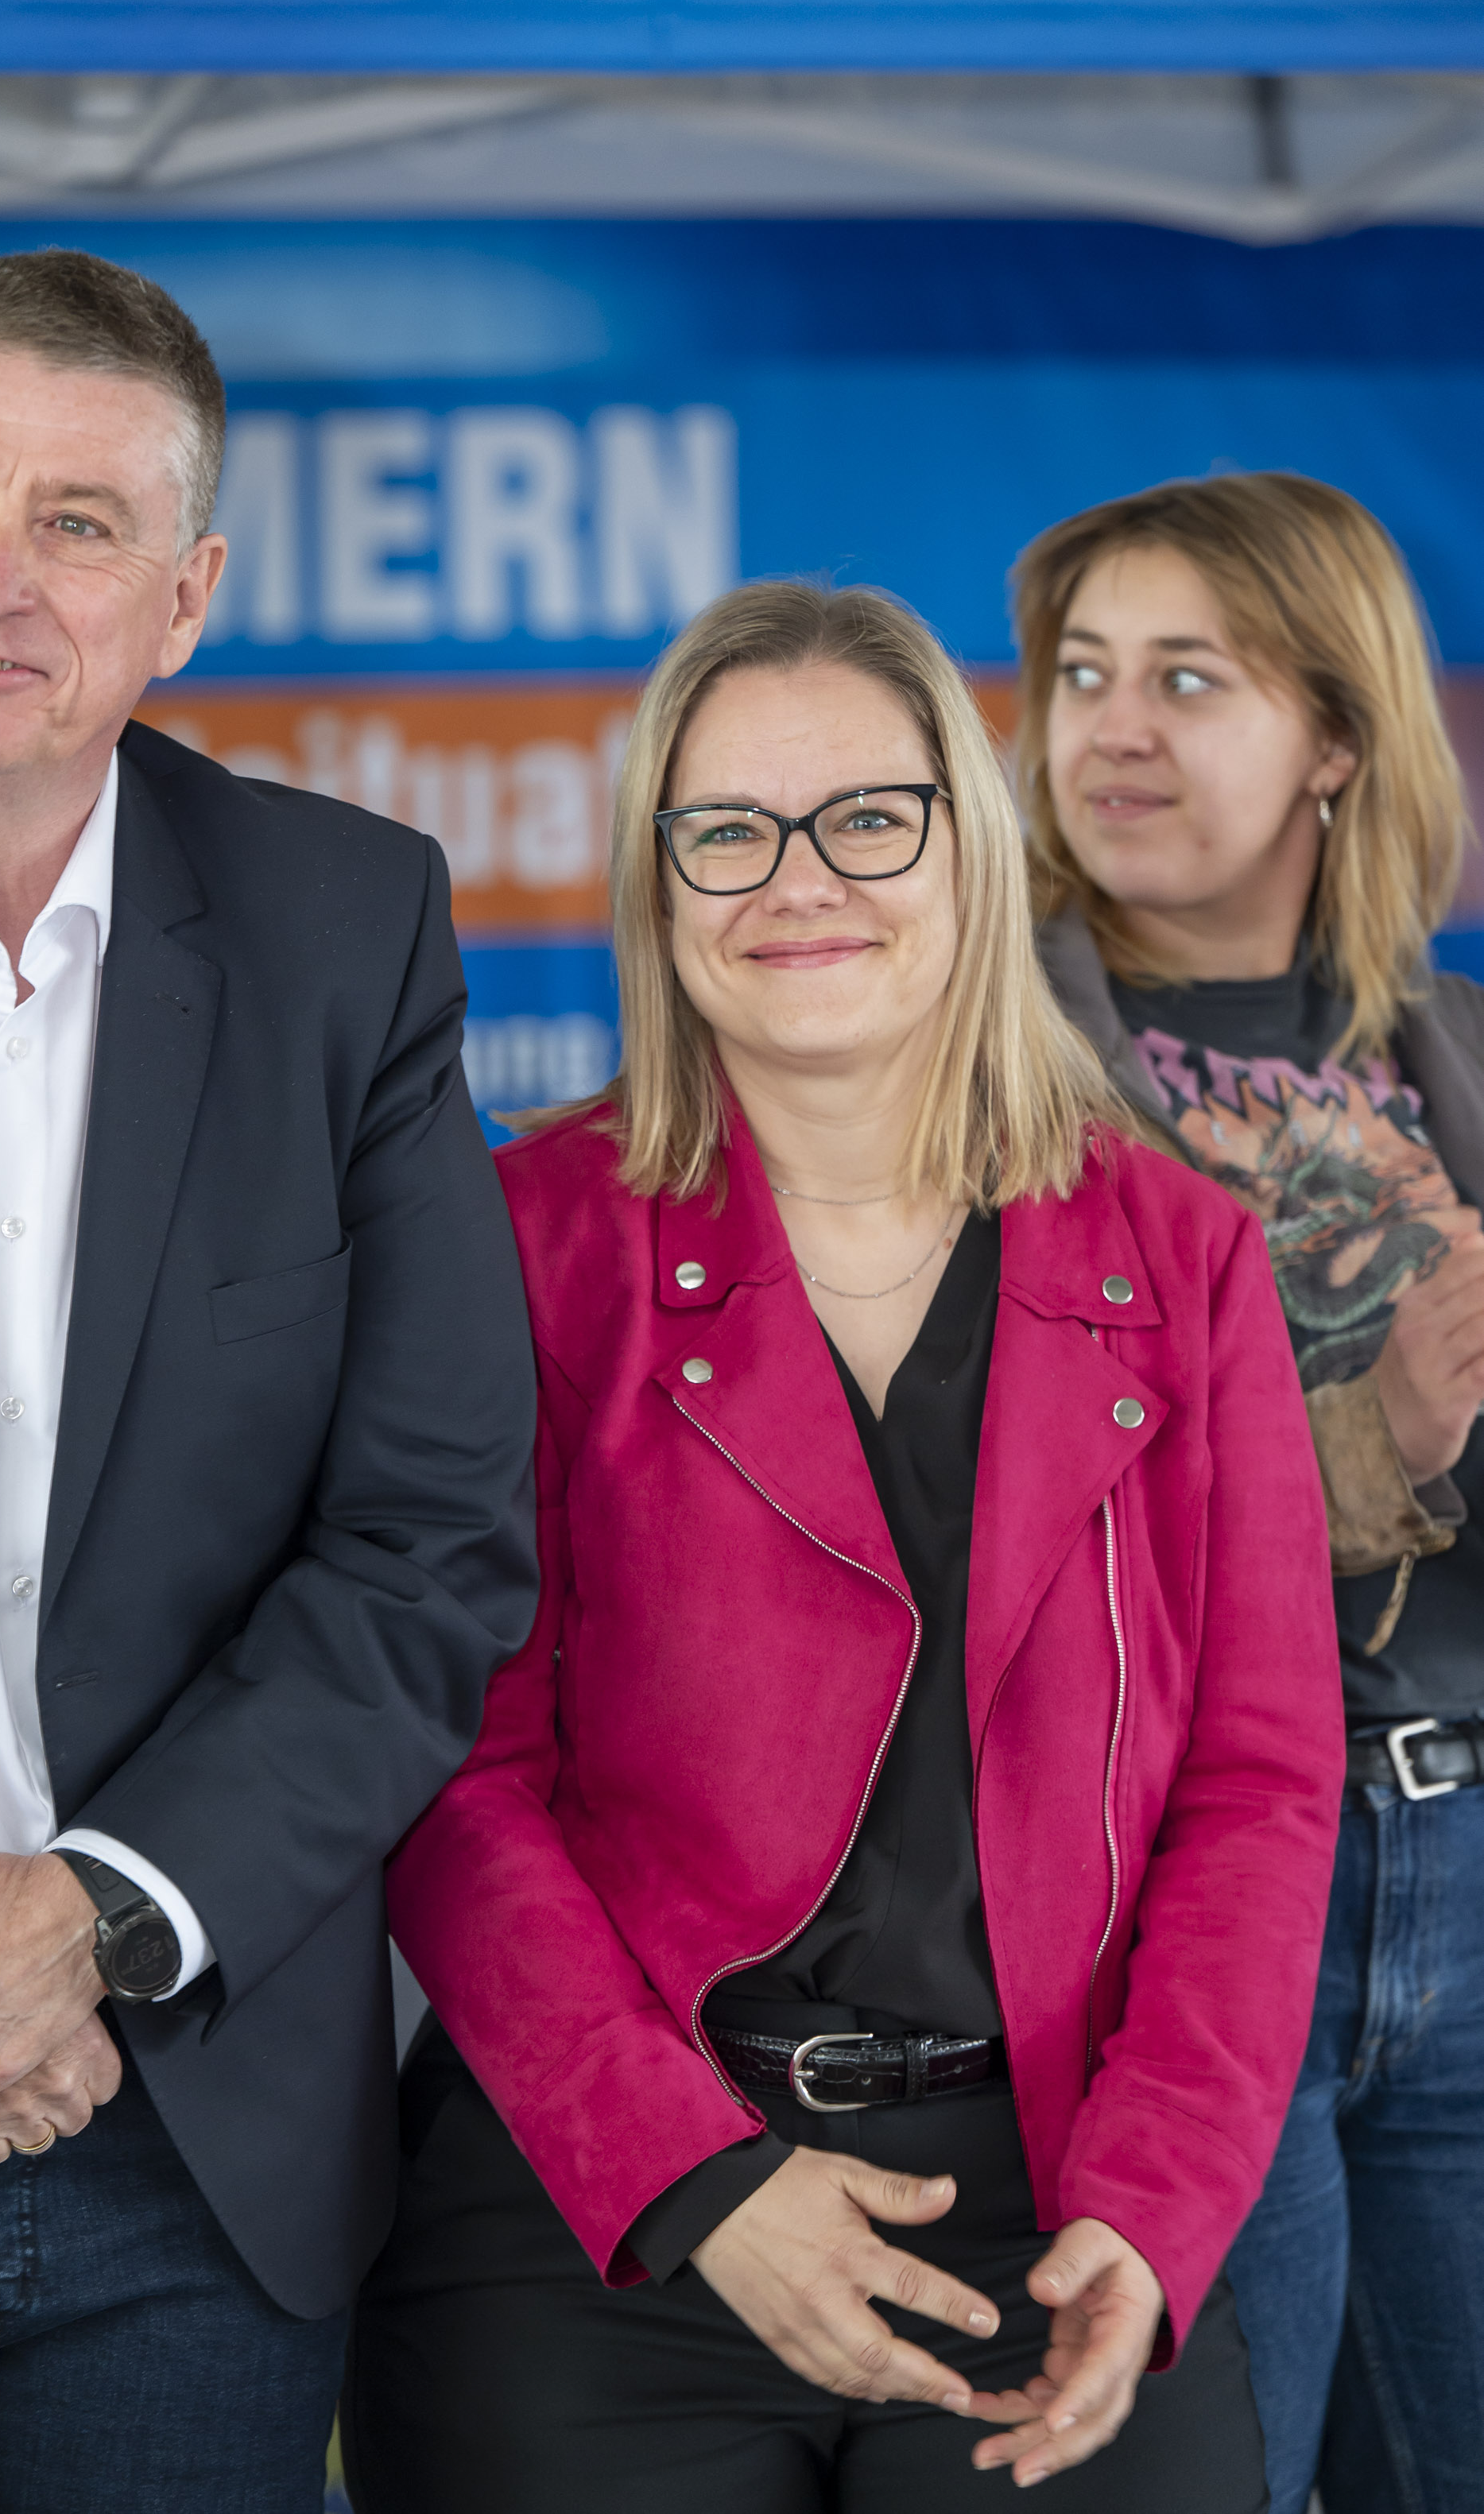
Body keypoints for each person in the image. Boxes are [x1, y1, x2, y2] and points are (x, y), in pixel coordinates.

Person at [345, 579, 1343, 2512]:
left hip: (1052, 2206)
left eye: (866, 816)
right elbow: (458, 1775)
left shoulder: (1183, 1253)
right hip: (604, 2208)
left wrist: (1149, 2211)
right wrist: (694, 2174)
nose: (794, 879)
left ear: (970, 846)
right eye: (725, 828)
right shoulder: (518, 1243)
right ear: (658, 881)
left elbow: (1259, 1786)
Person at [0, 248, 537, 2512]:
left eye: (81, 523)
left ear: (189, 593)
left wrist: (90, 1910)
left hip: (179, 2096)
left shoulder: (347, 926)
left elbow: (426, 1536)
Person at [1014, 470, 1484, 2514]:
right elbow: (997, 1505)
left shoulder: (1460, 1050)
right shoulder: (975, 1068)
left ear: (1335, 739)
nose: (1109, 727)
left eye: (1184, 680)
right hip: (1174, 1898)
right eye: (1080, 675)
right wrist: (1379, 1441)